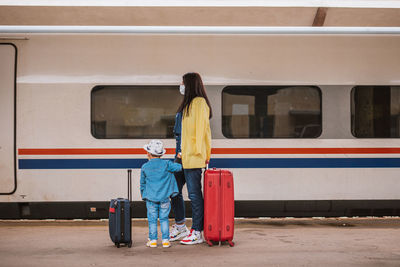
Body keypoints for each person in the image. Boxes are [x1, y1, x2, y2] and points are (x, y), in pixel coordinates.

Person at [169, 72, 212, 245]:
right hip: (180, 156)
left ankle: (197, 231)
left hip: (192, 156)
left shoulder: (199, 103)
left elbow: (202, 131)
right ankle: (180, 226)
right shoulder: (186, 104)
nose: (181, 85)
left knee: (194, 195)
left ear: (190, 84)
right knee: (173, 190)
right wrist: (179, 154)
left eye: (182, 83)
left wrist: (198, 153)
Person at [140, 139, 182, 248]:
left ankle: (153, 241)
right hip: (164, 198)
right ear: (161, 154)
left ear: (148, 153)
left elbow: (142, 183)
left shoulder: (145, 167)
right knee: (164, 219)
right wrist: (178, 159)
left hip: (150, 198)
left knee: (152, 220)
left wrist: (143, 195)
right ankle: (165, 241)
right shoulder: (167, 164)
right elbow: (178, 168)